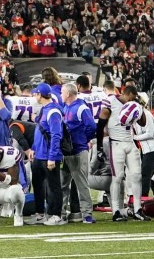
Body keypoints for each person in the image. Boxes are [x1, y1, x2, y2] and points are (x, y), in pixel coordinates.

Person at [102, 84, 149, 222]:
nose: (130, 101)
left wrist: (140, 108)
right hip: (116, 143)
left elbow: (142, 123)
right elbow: (101, 122)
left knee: (136, 176)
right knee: (117, 177)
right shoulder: (110, 102)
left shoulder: (134, 104)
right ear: (124, 94)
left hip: (130, 142)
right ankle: (116, 210)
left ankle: (137, 209)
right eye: (129, 98)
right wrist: (100, 145)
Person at [60, 82, 97, 224]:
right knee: (63, 183)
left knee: (81, 183)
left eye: (62, 92)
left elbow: (92, 126)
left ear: (68, 94)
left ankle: (87, 214)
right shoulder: (66, 107)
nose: (61, 95)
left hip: (78, 151)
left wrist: (83, 140)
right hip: (67, 152)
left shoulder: (81, 107)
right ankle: (61, 213)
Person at [33, 83, 65, 226]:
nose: (34, 96)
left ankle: (56, 215)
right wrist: (34, 149)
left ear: (40, 95)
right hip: (40, 154)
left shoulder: (53, 111)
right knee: (38, 185)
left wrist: (52, 157)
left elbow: (56, 135)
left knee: (53, 186)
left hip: (48, 155)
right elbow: (39, 132)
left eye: (36, 94)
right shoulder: (46, 109)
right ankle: (42, 213)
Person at [135, 92, 154, 199]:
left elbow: (150, 133)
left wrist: (135, 137)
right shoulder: (139, 114)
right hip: (146, 148)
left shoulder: (146, 114)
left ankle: (144, 196)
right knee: (150, 173)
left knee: (145, 173)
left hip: (152, 148)